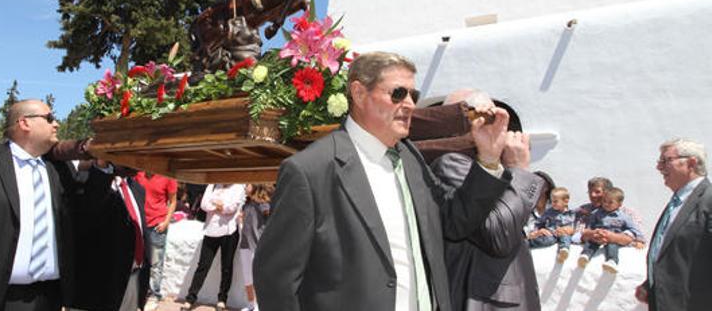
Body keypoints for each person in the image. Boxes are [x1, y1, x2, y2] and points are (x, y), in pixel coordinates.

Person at [254, 52, 513, 311]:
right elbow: (275, 278)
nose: (410, 104)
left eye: (414, 95)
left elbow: (453, 223)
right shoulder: (311, 170)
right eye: (398, 93)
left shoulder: (410, 158)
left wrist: (489, 158)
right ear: (358, 93)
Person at [0, 99, 108, 311]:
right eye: (49, 118)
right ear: (24, 123)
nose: (57, 124)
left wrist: (102, 166)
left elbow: (84, 212)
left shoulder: (58, 169)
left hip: (50, 297)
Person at [431, 89, 543, 311]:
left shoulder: (497, 168)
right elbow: (499, 234)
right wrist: (519, 170)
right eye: (483, 118)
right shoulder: (451, 164)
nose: (496, 127)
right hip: (484, 302)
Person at [636, 138, 711, 310]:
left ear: (691, 163)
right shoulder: (677, 202)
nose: (659, 167)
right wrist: (652, 284)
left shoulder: (708, 200)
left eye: (666, 160)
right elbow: (678, 252)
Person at [71, 165, 147, 311]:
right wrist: (103, 169)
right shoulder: (89, 181)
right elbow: (88, 215)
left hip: (132, 280)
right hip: (100, 286)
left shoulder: (137, 189)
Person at [184, 183, 246, 310]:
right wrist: (220, 206)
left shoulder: (239, 187)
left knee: (227, 267)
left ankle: (222, 299)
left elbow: (231, 208)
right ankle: (191, 297)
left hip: (229, 231)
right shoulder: (212, 186)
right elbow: (204, 205)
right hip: (211, 230)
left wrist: (216, 205)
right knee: (203, 266)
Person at [134, 171, 177, 310]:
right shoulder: (138, 173)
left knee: (156, 263)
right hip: (140, 223)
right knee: (139, 261)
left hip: (157, 225)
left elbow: (173, 201)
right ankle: (140, 293)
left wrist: (166, 222)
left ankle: (154, 295)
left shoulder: (168, 176)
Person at [576, 187, 639, 273]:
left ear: (619, 204)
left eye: (610, 202)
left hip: (613, 238)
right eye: (604, 201)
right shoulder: (596, 213)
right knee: (591, 243)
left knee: (612, 246)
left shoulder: (624, 216)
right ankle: (585, 256)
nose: (606, 204)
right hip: (598, 235)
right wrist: (593, 233)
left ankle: (612, 261)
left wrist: (640, 240)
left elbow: (633, 229)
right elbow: (589, 227)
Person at [238, 183, 273, 311]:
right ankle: (251, 304)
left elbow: (271, 219)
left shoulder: (262, 204)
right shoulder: (246, 204)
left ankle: (260, 305)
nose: (245, 187)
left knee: (257, 277)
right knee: (247, 277)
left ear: (256, 186)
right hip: (245, 244)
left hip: (257, 244)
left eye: (247, 184)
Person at [528, 187, 577, 263]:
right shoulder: (549, 212)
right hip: (552, 233)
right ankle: (528, 243)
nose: (553, 203)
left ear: (566, 201)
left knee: (566, 238)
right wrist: (537, 231)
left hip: (563, 233)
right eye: (552, 201)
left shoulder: (572, 214)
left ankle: (563, 251)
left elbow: (574, 225)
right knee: (548, 240)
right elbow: (539, 223)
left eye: (555, 201)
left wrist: (570, 230)